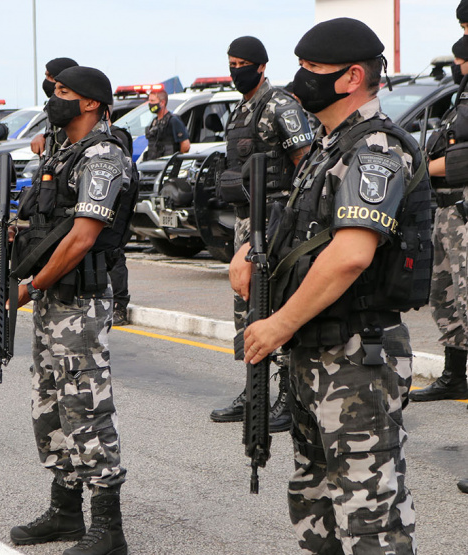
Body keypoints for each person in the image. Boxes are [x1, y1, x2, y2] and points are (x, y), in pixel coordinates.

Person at [237, 18, 425, 552]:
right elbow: (305, 234)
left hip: (357, 356)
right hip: (315, 350)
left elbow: (350, 255)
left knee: (369, 517)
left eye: (313, 69)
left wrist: (278, 324)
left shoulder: (375, 150)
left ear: (352, 77)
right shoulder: (328, 147)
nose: (300, 80)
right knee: (315, 501)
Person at [9, 66, 132, 555]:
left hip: (79, 302)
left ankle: (109, 527)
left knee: (86, 405)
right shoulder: (62, 153)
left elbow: (83, 237)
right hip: (52, 301)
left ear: (89, 103)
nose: (52, 99)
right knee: (51, 407)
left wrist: (31, 284)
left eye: (63, 93)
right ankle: (65, 511)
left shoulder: (104, 156)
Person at [209, 36, 313, 433]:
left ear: (261, 66)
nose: (236, 70)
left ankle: (289, 398)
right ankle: (254, 393)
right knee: (247, 310)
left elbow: (305, 163)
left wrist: (286, 222)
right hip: (243, 224)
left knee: (277, 305)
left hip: (274, 223)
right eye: (231, 62)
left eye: (242, 63)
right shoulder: (240, 111)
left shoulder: (280, 106)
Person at [411, 35, 468, 406]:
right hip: (446, 211)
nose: (455, 66)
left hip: (464, 211)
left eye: (458, 60)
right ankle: (453, 376)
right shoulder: (459, 99)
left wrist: (421, 168)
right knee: (444, 294)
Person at [31, 57, 79, 157]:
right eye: (46, 76)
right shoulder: (53, 109)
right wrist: (43, 137)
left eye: (51, 77)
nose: (47, 81)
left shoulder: (76, 111)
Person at [143, 89, 190, 160]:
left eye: (152, 101)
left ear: (162, 102)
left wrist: (174, 162)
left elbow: (185, 146)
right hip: (153, 165)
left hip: (167, 166)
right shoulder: (154, 121)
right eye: (149, 100)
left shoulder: (173, 120)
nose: (150, 104)